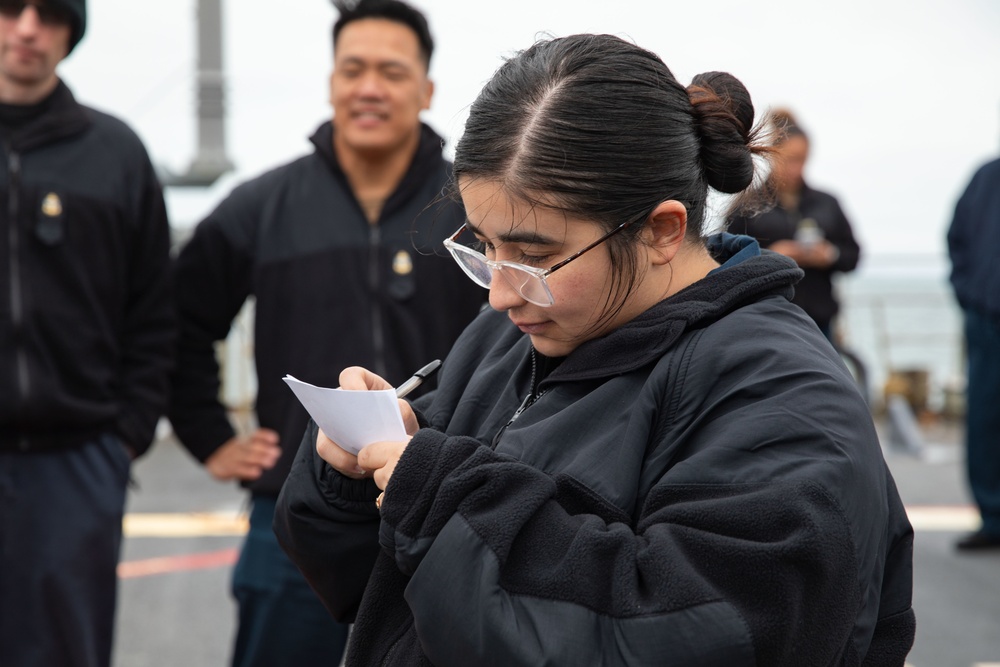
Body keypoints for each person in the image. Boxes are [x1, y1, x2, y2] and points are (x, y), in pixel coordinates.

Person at [273, 34, 916, 665]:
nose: (500, 292)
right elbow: (384, 597)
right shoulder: (514, 332)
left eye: (534, 255)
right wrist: (357, 478)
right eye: (484, 248)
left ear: (663, 229)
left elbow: (696, 635)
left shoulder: (785, 401)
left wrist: (445, 497)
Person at [167, 1, 484, 665]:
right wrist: (210, 436)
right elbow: (176, 318)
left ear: (426, 89)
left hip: (444, 505)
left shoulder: (475, 208)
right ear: (332, 81)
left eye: (392, 72)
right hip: (293, 516)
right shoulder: (263, 206)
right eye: (353, 69)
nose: (370, 87)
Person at [0, 1, 174, 666]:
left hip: (76, 461)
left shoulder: (115, 154)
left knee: (67, 649)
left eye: (48, 13)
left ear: (70, 31)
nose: (26, 29)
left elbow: (155, 307)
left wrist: (123, 434)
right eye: (11, 8)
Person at [729, 108, 861, 343]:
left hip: (819, 320)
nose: (796, 168)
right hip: (765, 320)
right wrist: (771, 257)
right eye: (790, 159)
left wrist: (829, 255)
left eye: (802, 160)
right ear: (772, 154)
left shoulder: (827, 203)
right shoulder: (747, 204)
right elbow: (726, 259)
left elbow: (853, 255)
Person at [947, 156, 1000, 550]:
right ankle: (992, 516)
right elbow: (957, 237)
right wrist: (969, 293)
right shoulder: (985, 177)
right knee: (984, 418)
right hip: (986, 318)